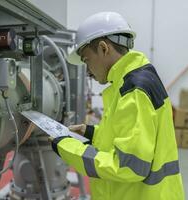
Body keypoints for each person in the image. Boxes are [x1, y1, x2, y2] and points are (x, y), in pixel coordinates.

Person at [51, 12, 185, 200]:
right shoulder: (130, 81)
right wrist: (90, 132)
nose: (88, 71)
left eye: (87, 60)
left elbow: (128, 167)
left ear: (104, 48)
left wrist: (65, 146)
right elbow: (127, 136)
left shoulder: (134, 90)